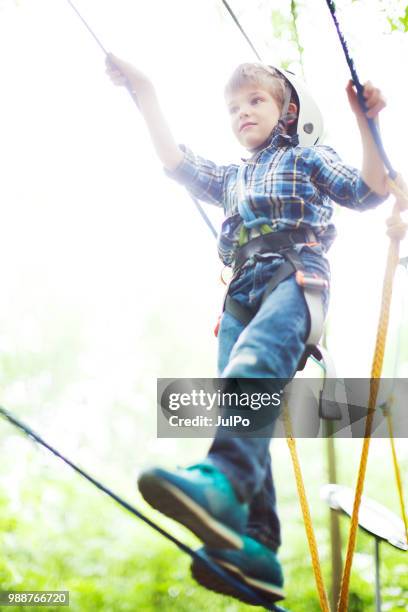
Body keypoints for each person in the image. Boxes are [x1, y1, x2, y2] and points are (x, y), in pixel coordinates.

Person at [106, 56, 388, 605]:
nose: (242, 114)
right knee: (237, 404)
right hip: (241, 292)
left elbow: (368, 191)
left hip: (295, 275)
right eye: (233, 108)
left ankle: (223, 484)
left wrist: (366, 123)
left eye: (255, 101)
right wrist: (146, 90)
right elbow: (174, 159)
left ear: (288, 113)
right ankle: (256, 546)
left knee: (253, 367)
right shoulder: (233, 175)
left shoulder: (306, 157)